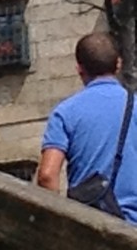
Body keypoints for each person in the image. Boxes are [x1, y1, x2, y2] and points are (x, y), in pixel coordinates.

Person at [37, 32, 137, 222]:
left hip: (87, 228)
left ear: (79, 69)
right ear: (118, 64)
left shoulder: (65, 113)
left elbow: (47, 176)